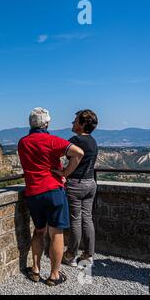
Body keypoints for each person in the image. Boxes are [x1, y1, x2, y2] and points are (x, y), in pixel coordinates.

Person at [18, 107, 84, 286]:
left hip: (33, 193)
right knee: (56, 233)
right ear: (46, 123)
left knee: (39, 231)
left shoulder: (22, 142)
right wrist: (65, 172)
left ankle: (35, 269)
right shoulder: (53, 141)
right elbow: (79, 153)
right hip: (53, 191)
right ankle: (54, 275)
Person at [53, 110, 99, 268]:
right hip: (90, 183)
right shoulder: (93, 141)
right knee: (87, 219)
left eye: (75, 121)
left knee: (75, 220)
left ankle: (71, 255)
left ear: (82, 124)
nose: (72, 123)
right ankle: (89, 255)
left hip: (76, 184)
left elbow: (63, 155)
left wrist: (64, 173)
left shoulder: (76, 140)